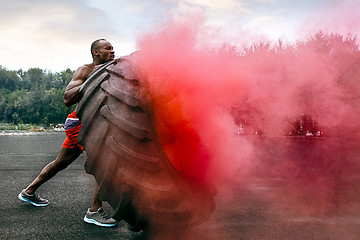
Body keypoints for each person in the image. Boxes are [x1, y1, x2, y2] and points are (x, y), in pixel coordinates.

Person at [18, 39, 117, 228]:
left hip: (95, 124)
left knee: (60, 163)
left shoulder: (114, 70)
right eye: (108, 48)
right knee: (104, 162)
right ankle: (94, 212)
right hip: (80, 123)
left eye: (113, 48)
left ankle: (28, 192)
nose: (113, 51)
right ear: (96, 52)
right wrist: (95, 81)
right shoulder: (86, 70)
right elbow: (68, 98)